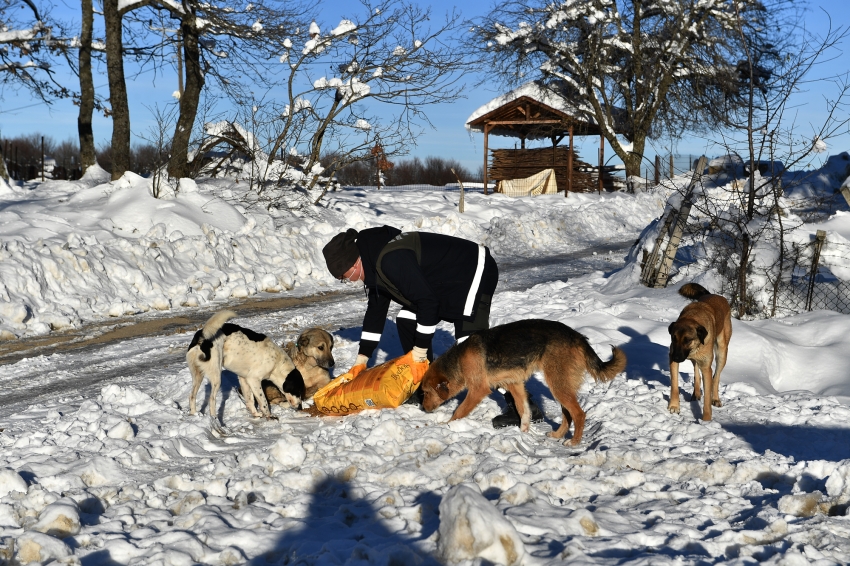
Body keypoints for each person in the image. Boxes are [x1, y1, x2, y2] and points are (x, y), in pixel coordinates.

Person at [322, 225, 543, 428]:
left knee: (471, 346)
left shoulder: (390, 259)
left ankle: (522, 405)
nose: (349, 281)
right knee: (408, 319)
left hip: (473, 270)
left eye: (344, 276)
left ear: (353, 262)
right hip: (445, 282)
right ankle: (426, 386)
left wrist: (418, 352)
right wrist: (362, 359)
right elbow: (375, 312)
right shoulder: (373, 265)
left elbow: (428, 303)